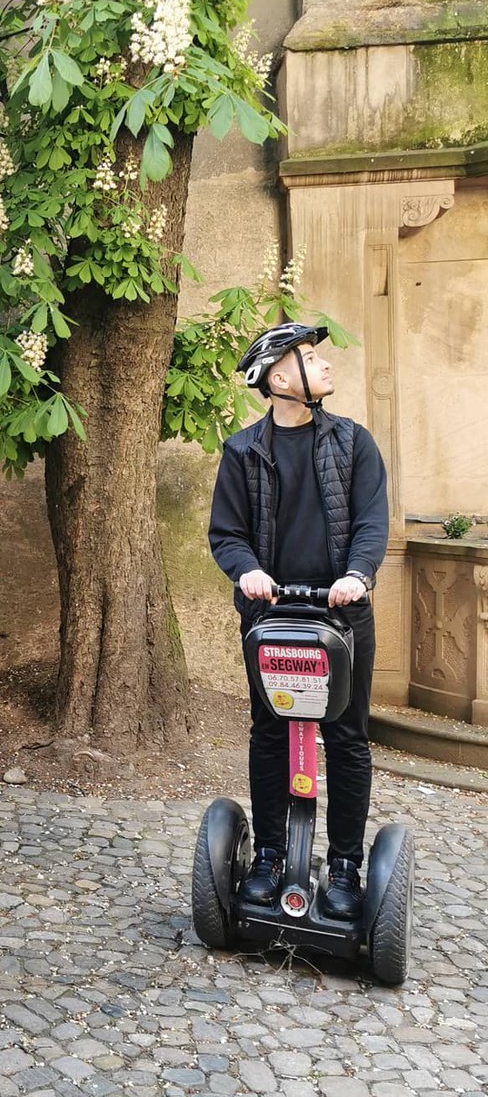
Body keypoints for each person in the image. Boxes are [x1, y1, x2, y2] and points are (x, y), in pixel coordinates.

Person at [208, 322, 388, 921]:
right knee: (269, 732)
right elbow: (227, 535)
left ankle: (342, 867)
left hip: (342, 616)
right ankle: (269, 855)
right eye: (311, 358)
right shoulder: (242, 452)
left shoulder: (353, 442)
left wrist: (357, 575)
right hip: (272, 617)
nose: (326, 366)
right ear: (279, 379)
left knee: (346, 737)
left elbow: (369, 522)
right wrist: (247, 572)